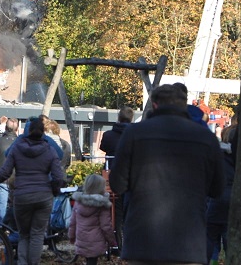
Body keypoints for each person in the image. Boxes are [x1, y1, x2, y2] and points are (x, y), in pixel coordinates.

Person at [109, 83, 225, 264]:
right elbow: (217, 189)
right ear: (184, 105)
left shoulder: (134, 133)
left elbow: (117, 184)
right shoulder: (205, 138)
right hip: (188, 242)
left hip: (143, 240)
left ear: (154, 105)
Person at [0, 116, 65, 265]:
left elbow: (4, 173)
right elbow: (58, 176)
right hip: (43, 196)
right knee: (37, 235)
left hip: (22, 195)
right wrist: (54, 191)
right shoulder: (49, 149)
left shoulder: (17, 147)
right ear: (43, 132)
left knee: (23, 235)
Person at [98, 105, 133, 250]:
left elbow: (103, 147)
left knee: (115, 213)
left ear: (118, 118)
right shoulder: (134, 135)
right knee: (130, 211)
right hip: (131, 177)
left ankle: (118, 244)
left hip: (112, 175)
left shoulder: (108, 135)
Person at [68, 173, 117, 265]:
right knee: (92, 261)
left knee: (89, 261)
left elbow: (73, 222)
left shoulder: (79, 201)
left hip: (82, 238)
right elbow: (105, 226)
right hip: (96, 240)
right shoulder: (102, 204)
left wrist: (71, 236)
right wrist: (112, 241)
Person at [206, 127, 237, 265]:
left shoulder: (216, 155)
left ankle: (212, 261)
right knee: (229, 239)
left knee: (211, 239)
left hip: (215, 201)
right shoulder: (240, 159)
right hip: (232, 200)